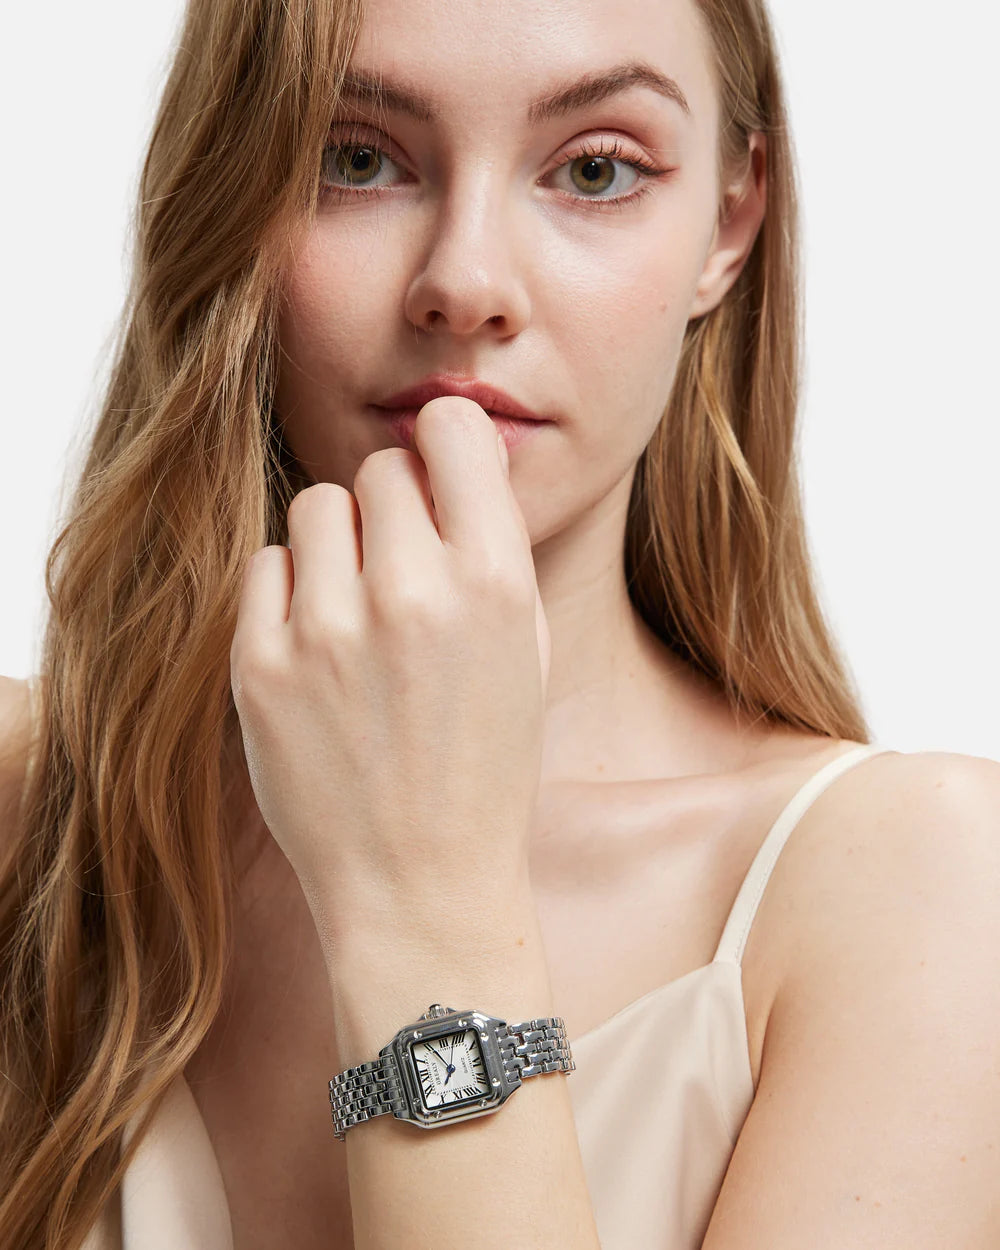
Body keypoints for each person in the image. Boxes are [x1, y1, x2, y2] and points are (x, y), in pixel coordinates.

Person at [1, 0, 998, 1245]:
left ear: (729, 220)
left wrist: (422, 898)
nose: (464, 283)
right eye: (354, 158)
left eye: (595, 170)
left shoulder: (923, 890)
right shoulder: (30, 813)